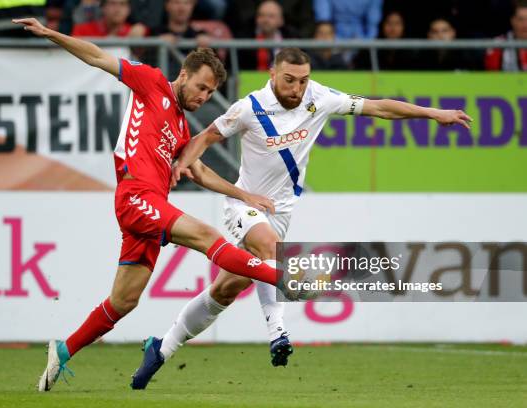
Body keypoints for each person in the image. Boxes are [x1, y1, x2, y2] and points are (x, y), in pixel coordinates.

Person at [130, 47, 473, 390]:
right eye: (289, 80)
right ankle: (278, 333)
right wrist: (181, 163)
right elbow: (206, 137)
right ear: (273, 75)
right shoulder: (250, 106)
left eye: (303, 80)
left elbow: (379, 107)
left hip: (280, 212)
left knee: (225, 290)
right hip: (244, 206)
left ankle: (161, 348)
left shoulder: (319, 98)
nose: (297, 88)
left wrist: (432, 113)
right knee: (270, 249)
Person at [12, 17, 290, 392]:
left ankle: (63, 351)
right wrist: (51, 34)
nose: (203, 97)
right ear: (184, 74)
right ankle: (285, 276)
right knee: (207, 236)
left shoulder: (180, 128)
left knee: (124, 301)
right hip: (135, 197)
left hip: (149, 209)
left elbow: (201, 172)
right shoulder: (151, 82)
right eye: (201, 87)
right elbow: (96, 56)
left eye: (210, 93)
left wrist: (244, 195)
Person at [236, 0, 301, 71]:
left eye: (271, 16)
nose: (265, 20)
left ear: (281, 20)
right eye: (261, 15)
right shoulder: (245, 39)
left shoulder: (292, 37)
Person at [485, 0, 527, 71]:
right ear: (512, 21)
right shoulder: (498, 44)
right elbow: (492, 76)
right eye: (521, 19)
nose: (525, 25)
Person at [72, 0, 147, 37]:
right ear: (103, 7)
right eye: (112, 3)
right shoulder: (82, 30)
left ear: (129, 9)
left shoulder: (134, 32)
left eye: (122, 4)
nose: (117, 10)